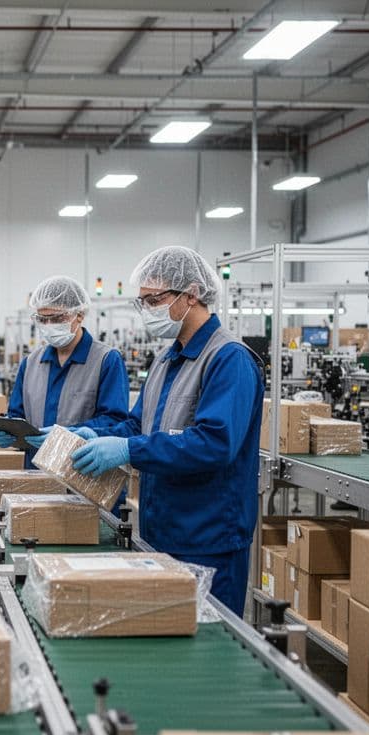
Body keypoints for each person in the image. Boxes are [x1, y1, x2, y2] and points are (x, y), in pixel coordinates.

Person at [68, 246, 263, 616]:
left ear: (191, 294)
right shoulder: (166, 357)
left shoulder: (229, 359)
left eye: (154, 299)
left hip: (208, 537)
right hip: (161, 529)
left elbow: (214, 443)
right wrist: (93, 436)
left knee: (208, 648)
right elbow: (137, 423)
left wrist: (129, 450)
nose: (148, 311)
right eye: (142, 302)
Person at [0, 276, 129, 467]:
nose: (49, 326)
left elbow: (116, 422)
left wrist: (71, 434)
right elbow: (18, 415)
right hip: (36, 474)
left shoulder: (106, 360)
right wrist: (7, 429)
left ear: (79, 314)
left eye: (57, 318)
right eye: (42, 319)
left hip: (82, 472)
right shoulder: (31, 363)